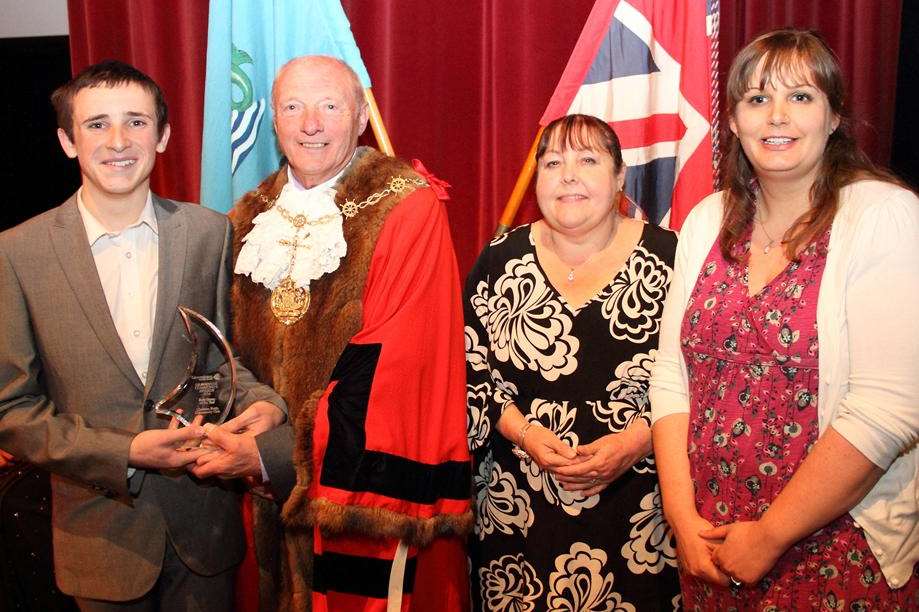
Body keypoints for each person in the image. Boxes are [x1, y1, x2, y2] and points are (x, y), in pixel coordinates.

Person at [0, 60, 287, 611]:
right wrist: (126, 452)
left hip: (204, 536)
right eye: (96, 124)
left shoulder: (209, 232)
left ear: (163, 136)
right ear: (67, 140)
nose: (117, 140)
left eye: (136, 121)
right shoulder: (19, 254)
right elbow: (12, 411)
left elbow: (222, 362)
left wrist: (265, 404)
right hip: (99, 539)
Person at [190, 55, 472, 611]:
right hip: (258, 497)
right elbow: (220, 347)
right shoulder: (243, 219)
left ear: (362, 115)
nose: (310, 123)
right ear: (273, 120)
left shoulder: (405, 208)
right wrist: (248, 414)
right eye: (293, 107)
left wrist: (276, 454)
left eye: (329, 105)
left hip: (355, 497)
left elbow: (396, 368)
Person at [650, 28, 919, 610]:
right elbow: (672, 375)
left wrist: (770, 536)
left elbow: (888, 409)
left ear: (834, 117)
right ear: (734, 121)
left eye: (801, 97)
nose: (777, 115)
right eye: (757, 98)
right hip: (710, 548)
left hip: (836, 551)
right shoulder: (706, 220)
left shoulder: (885, 217)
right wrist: (680, 516)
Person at [465, 114, 681, 610]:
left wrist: (634, 442)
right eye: (553, 162)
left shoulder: (674, 257)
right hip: (516, 514)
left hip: (642, 514)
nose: (568, 175)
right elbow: (468, 367)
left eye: (588, 160)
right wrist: (524, 434)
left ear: (620, 176)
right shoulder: (500, 258)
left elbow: (701, 377)